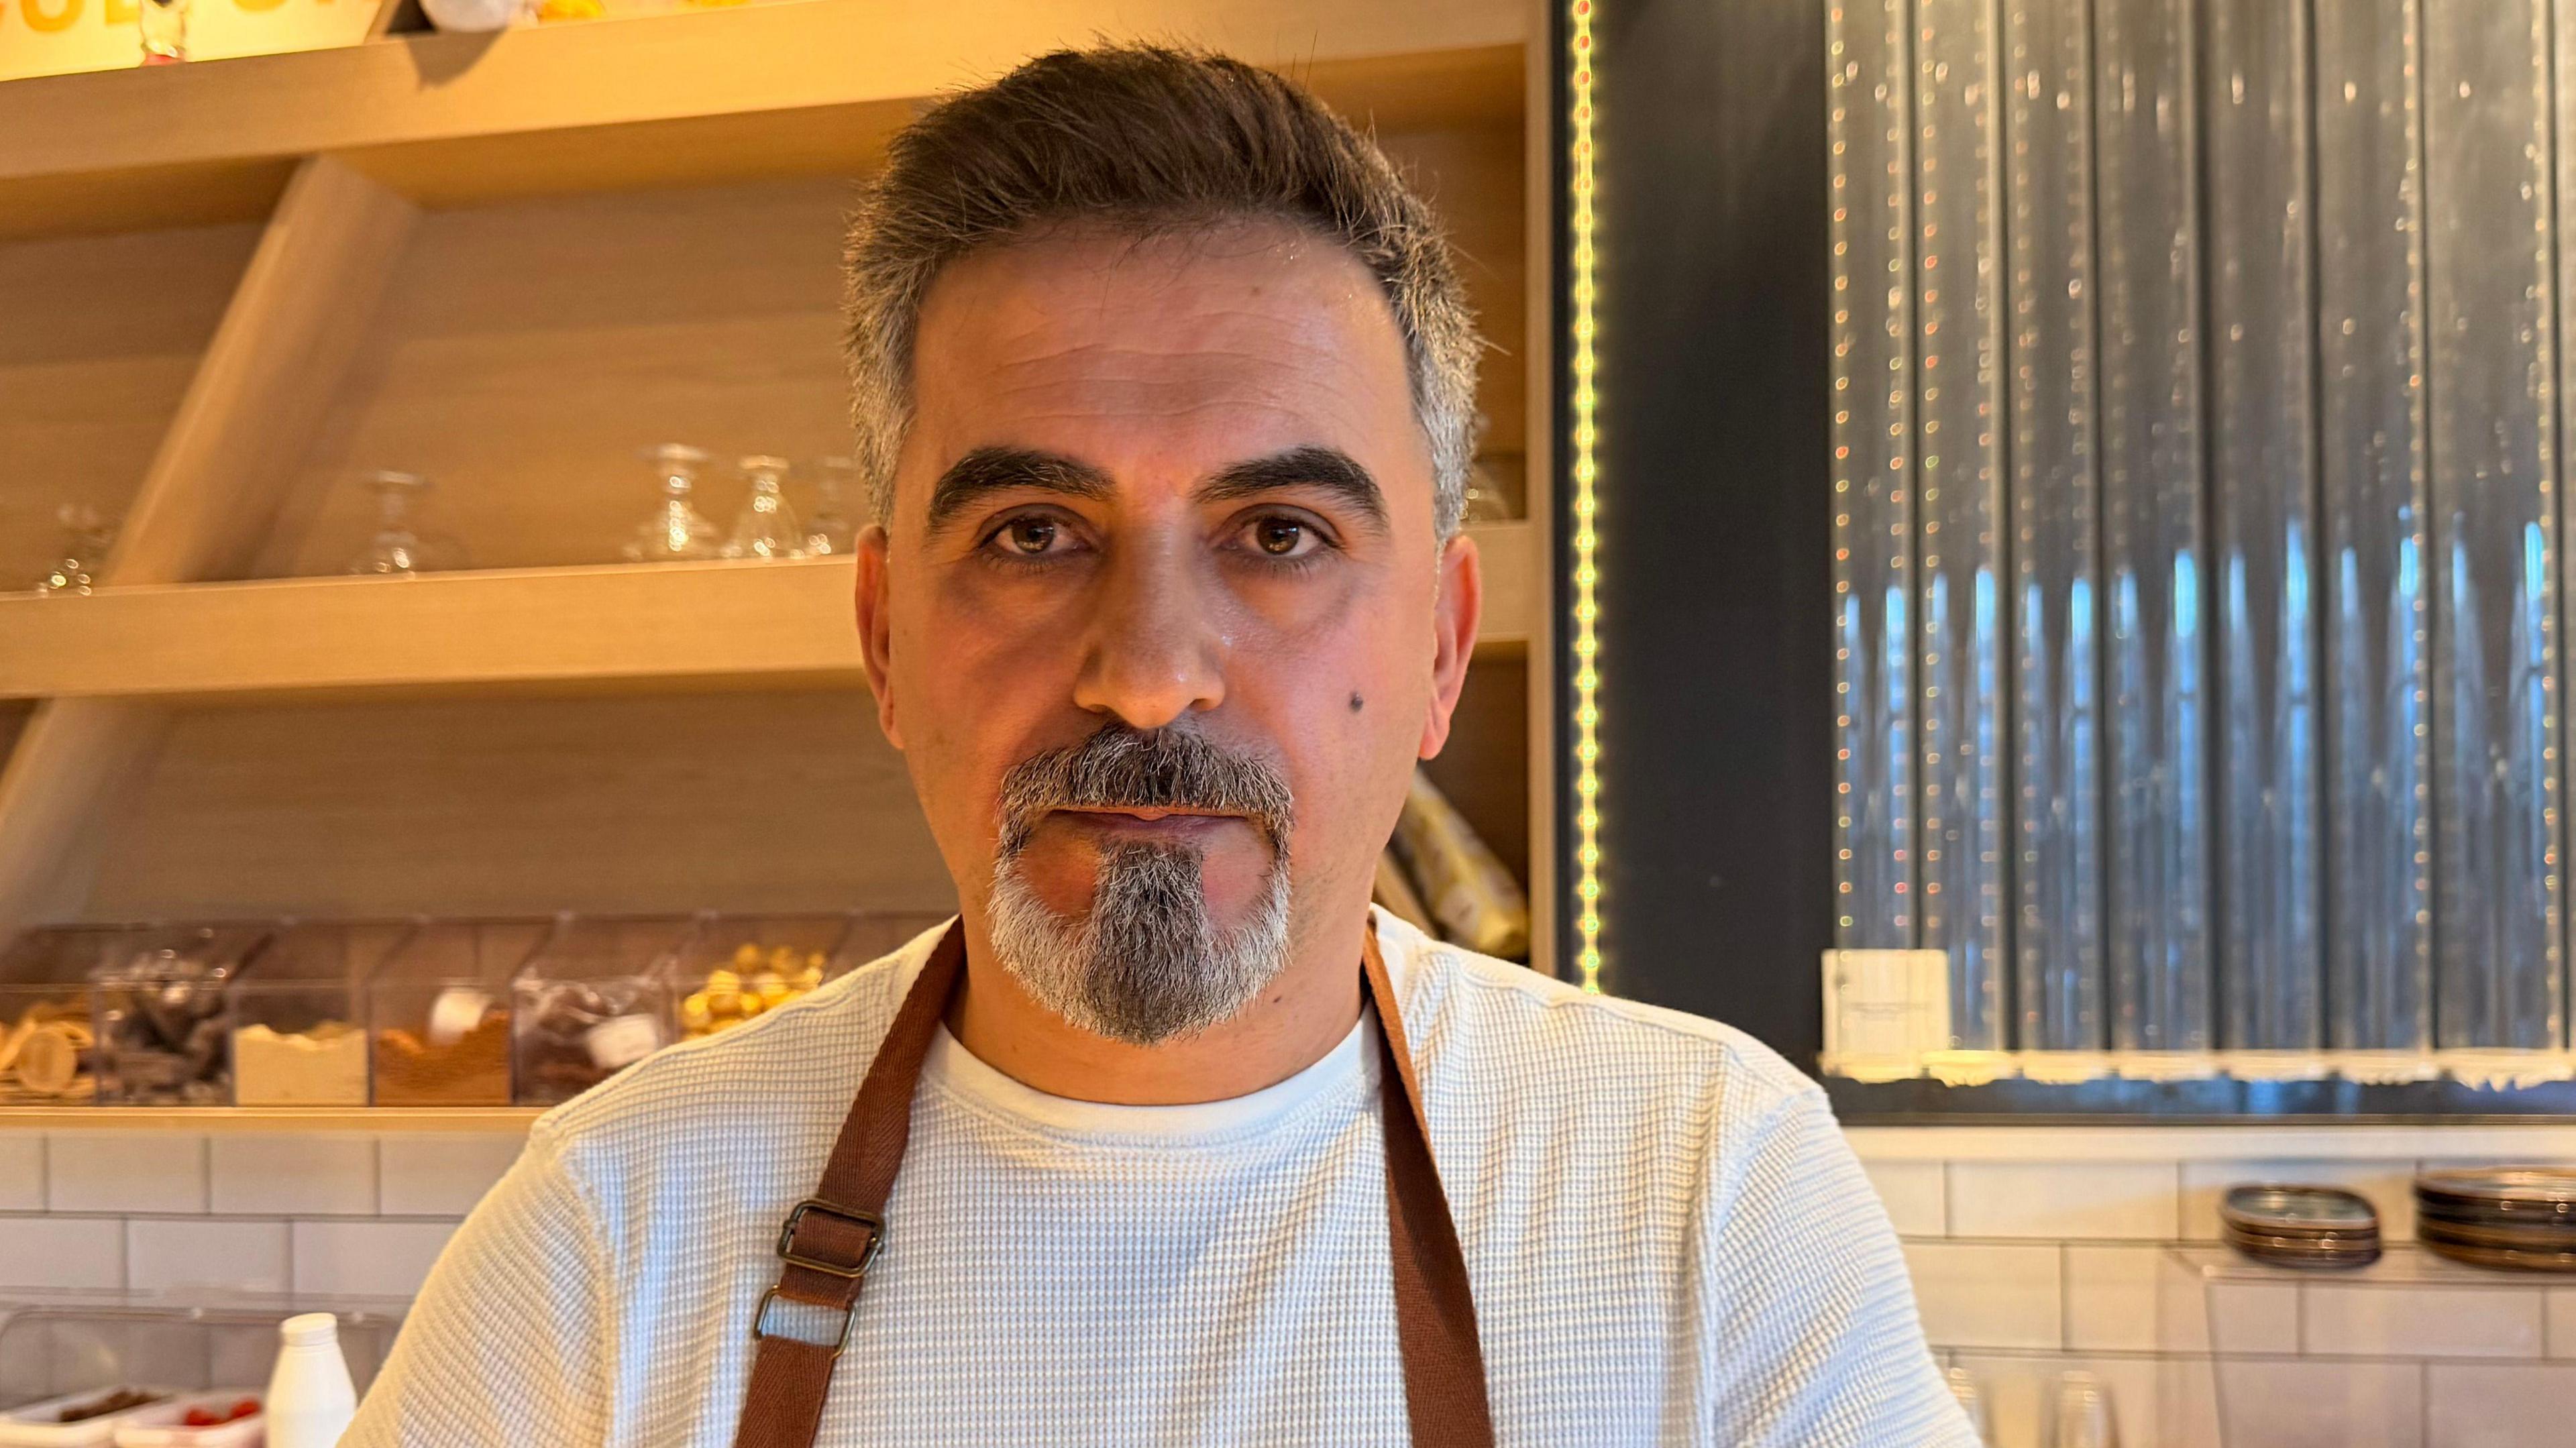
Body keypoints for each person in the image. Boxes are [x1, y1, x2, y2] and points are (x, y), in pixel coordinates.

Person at [344, 44, 1973, 1447]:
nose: (1147, 676)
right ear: (888, 639)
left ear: (1440, 647)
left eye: (1277, 532)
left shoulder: (1705, 1196)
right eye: (1034, 532)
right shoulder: (611, 1229)